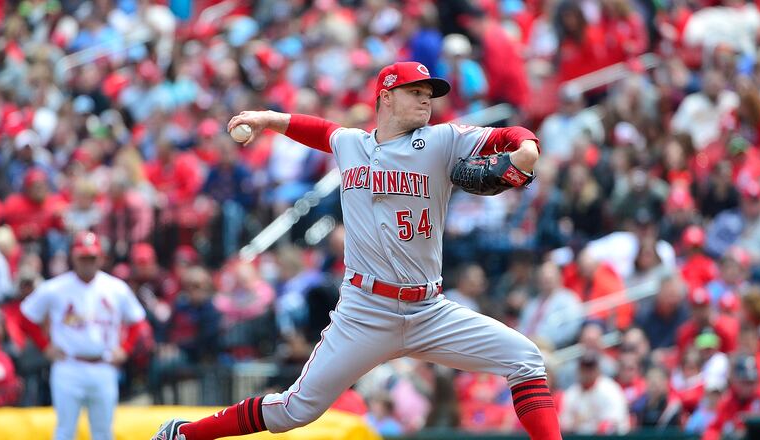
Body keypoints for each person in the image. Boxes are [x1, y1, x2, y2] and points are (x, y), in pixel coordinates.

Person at [152, 61, 559, 440]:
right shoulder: (352, 144)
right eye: (415, 90)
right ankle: (183, 434)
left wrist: (527, 147)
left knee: (525, 359)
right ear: (386, 96)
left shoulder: (442, 140)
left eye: (429, 93)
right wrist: (268, 119)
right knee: (294, 410)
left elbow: (509, 135)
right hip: (366, 309)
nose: (425, 99)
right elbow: (320, 130)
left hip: (429, 309)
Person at [21, 231, 147, 440]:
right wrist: (45, 346)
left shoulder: (115, 288)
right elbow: (26, 317)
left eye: (92, 257)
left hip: (103, 365)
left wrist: (126, 349)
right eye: (83, 257)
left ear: (100, 257)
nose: (87, 262)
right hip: (69, 365)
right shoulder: (56, 288)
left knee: (103, 432)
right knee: (65, 430)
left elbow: (137, 320)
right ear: (73, 257)